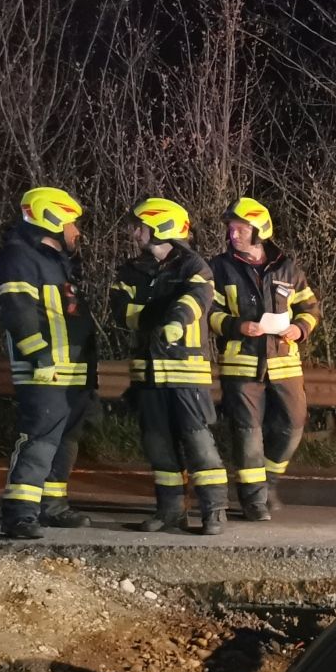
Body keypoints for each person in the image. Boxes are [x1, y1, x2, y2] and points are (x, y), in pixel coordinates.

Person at [114, 198, 228, 534]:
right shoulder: (131, 271)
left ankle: (214, 511)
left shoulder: (194, 267)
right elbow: (121, 312)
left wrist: (172, 321)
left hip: (185, 373)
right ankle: (170, 510)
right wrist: (160, 314)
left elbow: (195, 302)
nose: (135, 232)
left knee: (199, 443)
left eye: (141, 225)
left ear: (161, 227)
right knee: (158, 445)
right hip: (147, 373)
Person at [0, 187, 99, 539]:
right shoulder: (20, 256)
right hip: (45, 368)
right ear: (52, 219)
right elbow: (17, 310)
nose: (76, 231)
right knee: (39, 439)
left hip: (71, 370)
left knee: (65, 439)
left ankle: (51, 505)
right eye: (72, 223)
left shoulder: (60, 262)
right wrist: (38, 354)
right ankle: (19, 513)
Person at [208, 197, 321, 519]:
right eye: (231, 229)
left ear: (260, 231)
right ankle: (254, 501)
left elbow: (310, 309)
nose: (233, 235)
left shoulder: (287, 268)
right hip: (241, 364)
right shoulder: (219, 268)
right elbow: (208, 312)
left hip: (284, 363)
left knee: (293, 425)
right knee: (248, 433)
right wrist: (235, 325)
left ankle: (268, 481)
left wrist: (299, 330)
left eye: (241, 229)